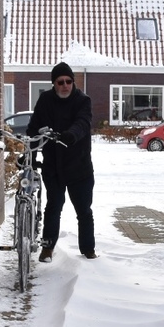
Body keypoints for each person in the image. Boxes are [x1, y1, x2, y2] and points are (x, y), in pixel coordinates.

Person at [26, 62, 96, 261]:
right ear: (53, 84)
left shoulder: (83, 100)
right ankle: (48, 247)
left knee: (83, 209)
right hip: (53, 165)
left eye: (68, 81)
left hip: (79, 166)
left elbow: (83, 122)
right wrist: (29, 153)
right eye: (60, 82)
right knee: (54, 206)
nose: (65, 85)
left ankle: (88, 250)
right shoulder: (45, 100)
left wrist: (71, 135)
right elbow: (33, 128)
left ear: (73, 82)